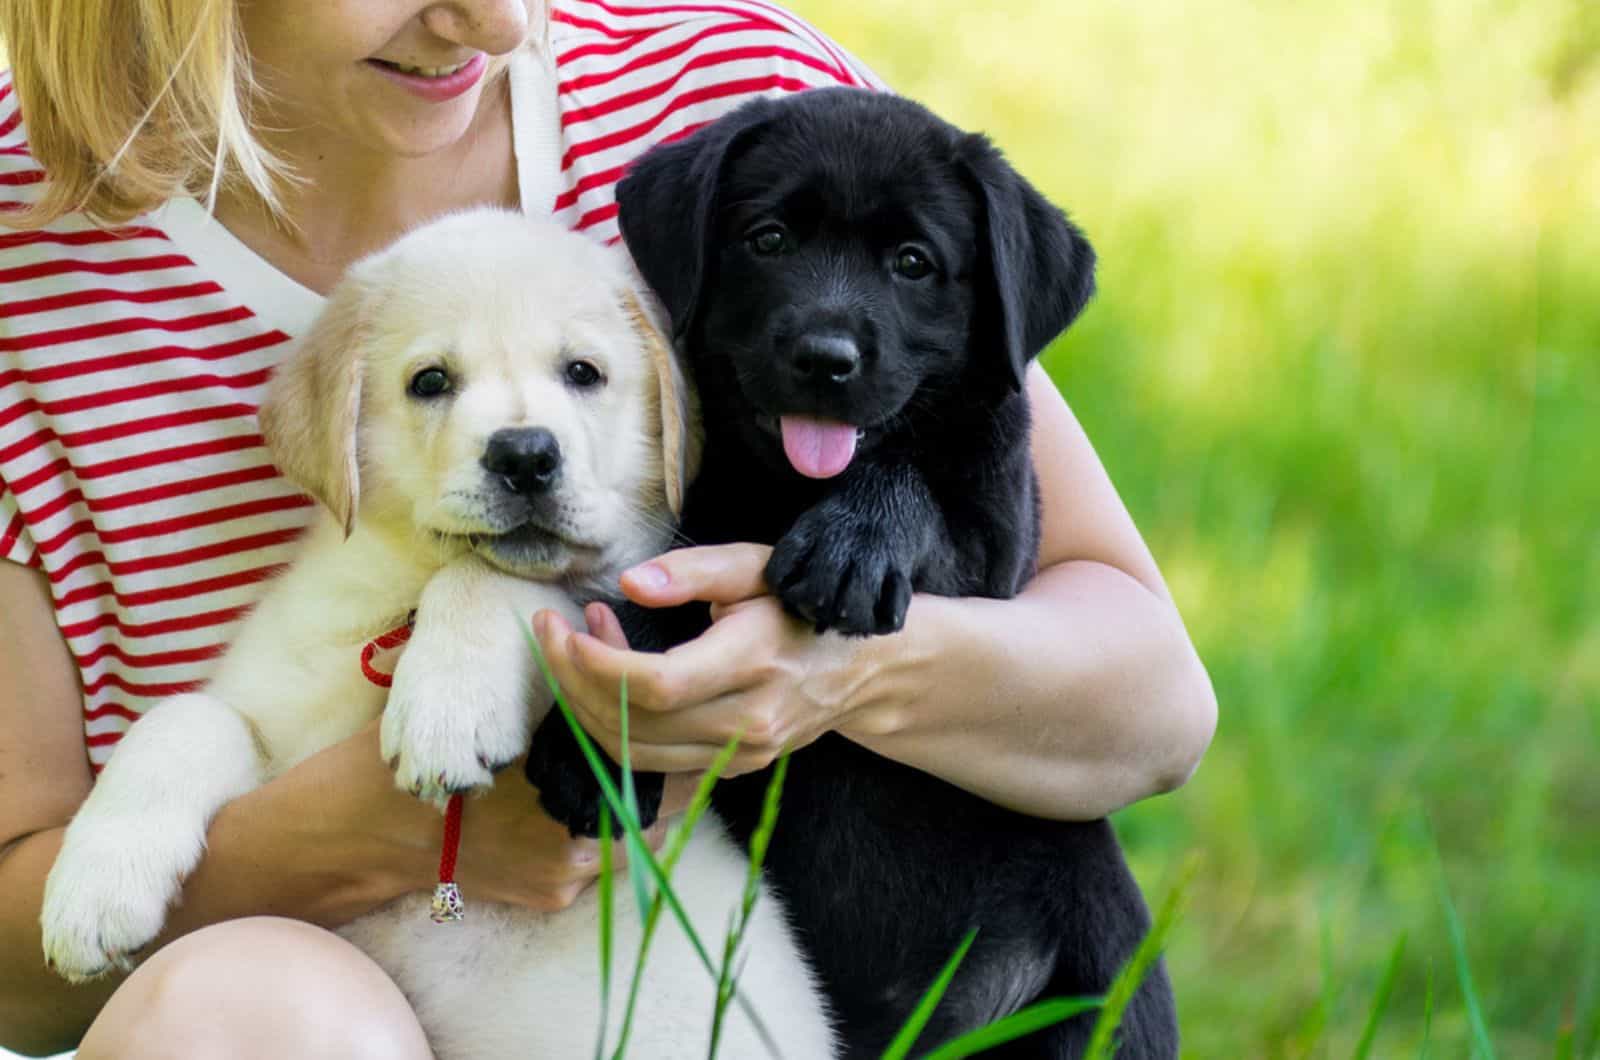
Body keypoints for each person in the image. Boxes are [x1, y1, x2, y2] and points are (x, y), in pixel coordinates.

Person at [0, 0, 1217, 1055]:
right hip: (288, 999)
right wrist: (387, 836)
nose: (499, 22)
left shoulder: (728, 114)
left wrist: (833, 671)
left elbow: (1152, 705)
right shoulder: (25, 259)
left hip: (769, 988)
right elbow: (14, 980)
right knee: (248, 1015)